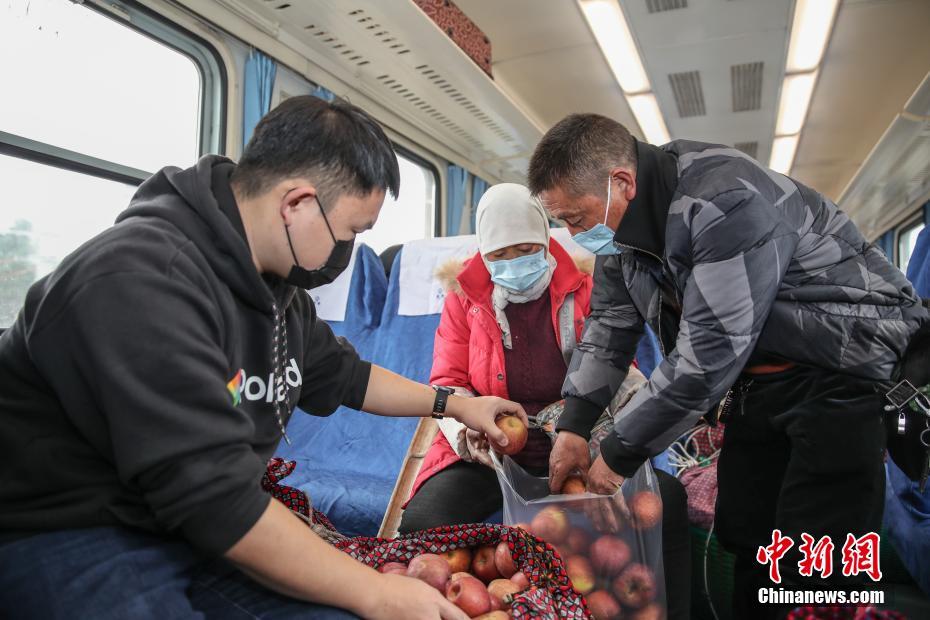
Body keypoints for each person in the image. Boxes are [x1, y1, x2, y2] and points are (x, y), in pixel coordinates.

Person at [0, 96, 527, 620]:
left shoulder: (277, 293)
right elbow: (210, 496)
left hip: (190, 525)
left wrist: (454, 405)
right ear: (295, 203)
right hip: (70, 527)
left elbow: (345, 376)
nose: (348, 252)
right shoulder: (140, 280)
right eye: (350, 233)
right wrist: (375, 591)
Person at [527, 113, 929, 618]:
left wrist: (619, 452)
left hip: (840, 374)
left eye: (575, 218)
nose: (572, 232)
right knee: (749, 538)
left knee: (817, 560)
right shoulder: (620, 234)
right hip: (755, 386)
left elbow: (708, 352)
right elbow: (609, 326)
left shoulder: (724, 199)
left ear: (622, 183)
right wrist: (575, 425)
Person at [398, 183, 691, 620]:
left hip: (579, 441)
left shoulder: (588, 288)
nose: (514, 263)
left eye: (527, 248)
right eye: (500, 255)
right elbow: (448, 382)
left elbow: (616, 370)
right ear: (484, 252)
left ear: (547, 237)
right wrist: (471, 434)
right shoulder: (464, 298)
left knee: (664, 501)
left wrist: (609, 439)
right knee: (424, 522)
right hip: (492, 449)